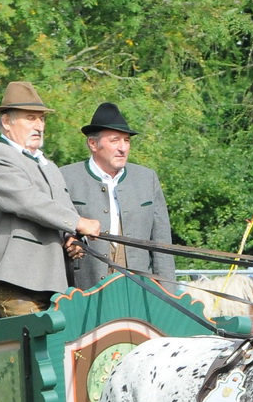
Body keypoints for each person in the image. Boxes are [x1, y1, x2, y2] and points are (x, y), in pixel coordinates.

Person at [0, 82, 100, 316]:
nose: (39, 125)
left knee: (57, 345)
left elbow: (61, 211)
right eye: (30, 118)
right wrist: (79, 223)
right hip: (13, 278)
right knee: (31, 345)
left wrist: (72, 238)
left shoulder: (49, 166)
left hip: (49, 278)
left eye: (41, 119)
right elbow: (27, 201)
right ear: (7, 122)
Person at [60, 102, 176, 289]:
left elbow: (162, 245)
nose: (123, 148)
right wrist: (68, 238)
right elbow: (55, 228)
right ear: (93, 143)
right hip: (84, 290)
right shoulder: (66, 177)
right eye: (115, 140)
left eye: (127, 140)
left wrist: (169, 294)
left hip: (140, 289)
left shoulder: (147, 178)